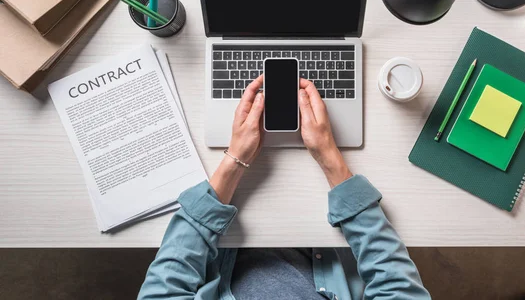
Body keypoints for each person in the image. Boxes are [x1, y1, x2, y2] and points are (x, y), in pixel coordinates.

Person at [137, 76, 431, 300]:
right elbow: (396, 286)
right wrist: (329, 157)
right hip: (331, 258)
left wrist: (235, 160)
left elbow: (166, 284)